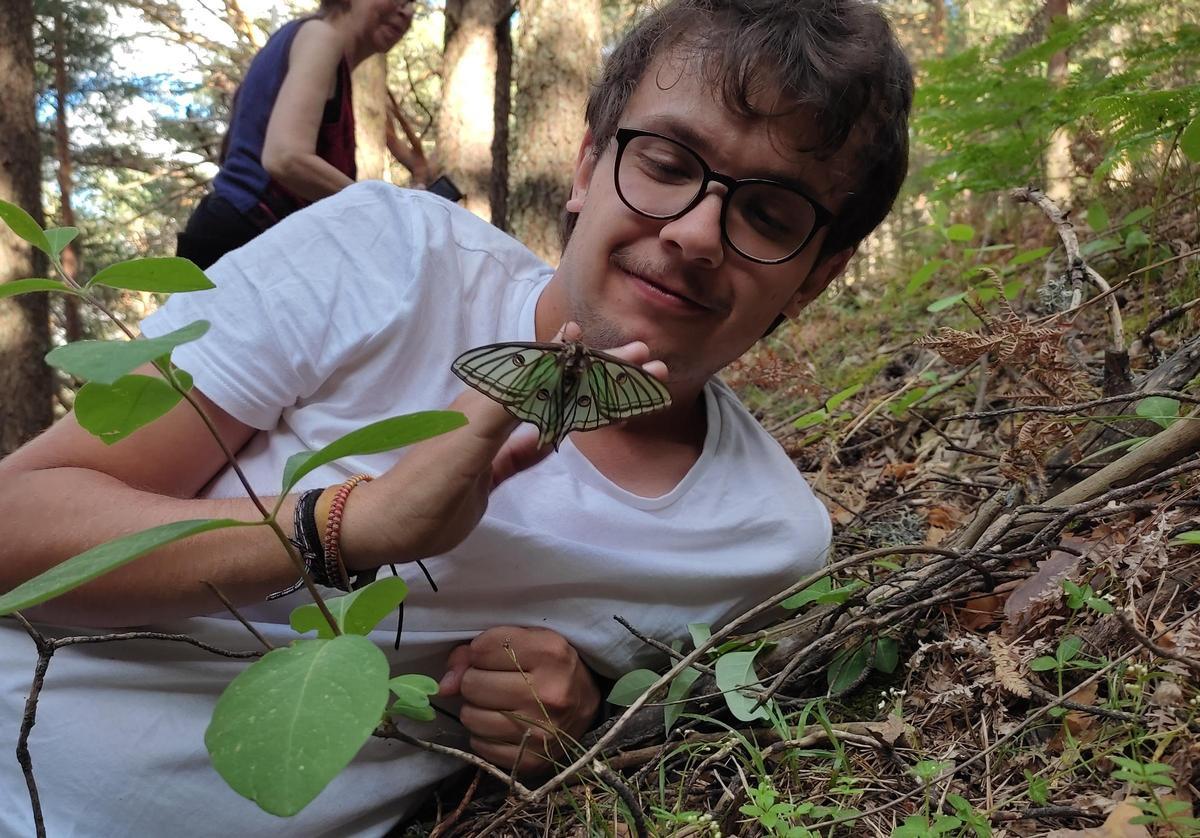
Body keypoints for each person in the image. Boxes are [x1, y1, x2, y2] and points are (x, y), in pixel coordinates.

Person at [0, 0, 913, 833]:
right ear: (589, 166)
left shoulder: (763, 543)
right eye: (667, 164)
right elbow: (16, 519)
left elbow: (660, 731)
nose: (695, 232)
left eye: (770, 212)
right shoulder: (379, 256)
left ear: (818, 274)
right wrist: (349, 521)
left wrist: (582, 712)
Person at [177, 0, 434, 268]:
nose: (407, 11)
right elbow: (285, 157)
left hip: (237, 240)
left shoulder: (298, 40)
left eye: (412, 3)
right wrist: (387, 209)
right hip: (242, 243)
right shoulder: (321, 37)